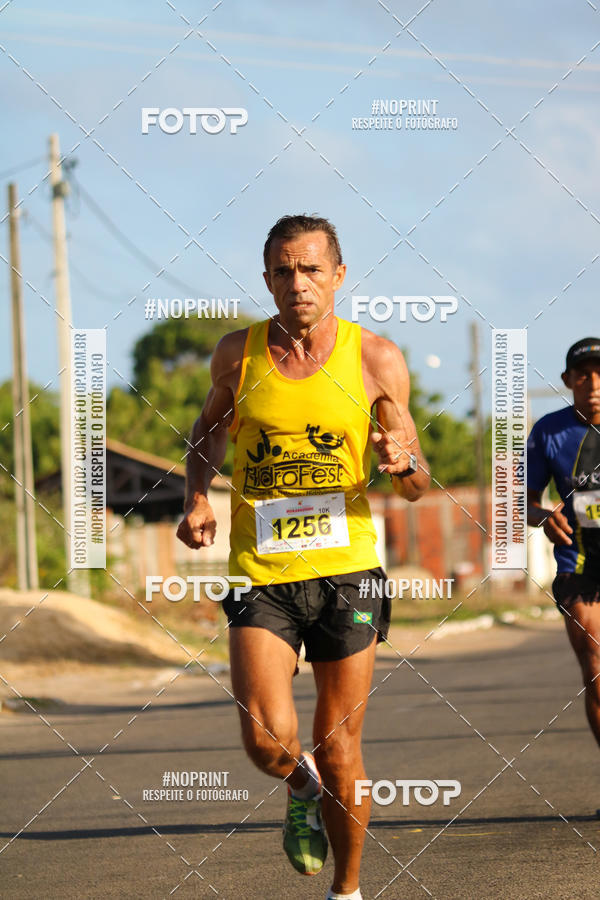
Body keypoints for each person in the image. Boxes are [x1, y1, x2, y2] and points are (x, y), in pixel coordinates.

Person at [177, 214, 430, 899]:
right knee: (266, 740)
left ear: (339, 276)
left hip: (348, 572)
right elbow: (206, 434)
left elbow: (415, 487)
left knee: (342, 746)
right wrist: (197, 498)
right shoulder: (238, 352)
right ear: (267, 279)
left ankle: (346, 891)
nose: (299, 283)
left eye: (313, 269)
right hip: (262, 575)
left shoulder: (376, 357)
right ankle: (298, 782)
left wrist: (402, 461)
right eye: (284, 271)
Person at [527, 338, 600, 792]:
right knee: (596, 667)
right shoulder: (549, 431)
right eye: (583, 375)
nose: (593, 384)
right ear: (568, 381)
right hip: (580, 565)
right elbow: (521, 502)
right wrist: (544, 516)